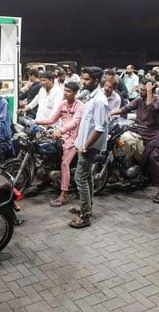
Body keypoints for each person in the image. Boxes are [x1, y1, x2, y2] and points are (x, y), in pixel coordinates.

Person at [112, 78, 159, 203]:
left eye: (143, 89)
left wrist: (148, 91)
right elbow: (126, 108)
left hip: (153, 134)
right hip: (138, 130)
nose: (140, 91)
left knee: (153, 158)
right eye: (140, 89)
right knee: (119, 142)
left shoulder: (158, 101)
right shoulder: (139, 99)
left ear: (150, 90)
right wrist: (111, 112)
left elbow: (150, 107)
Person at [67, 67, 108, 228]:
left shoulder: (99, 100)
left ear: (96, 81)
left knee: (80, 178)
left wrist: (85, 145)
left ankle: (85, 215)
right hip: (84, 143)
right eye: (83, 78)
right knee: (87, 176)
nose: (83, 82)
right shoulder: (91, 97)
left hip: (88, 146)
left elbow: (99, 128)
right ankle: (87, 206)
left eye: (87, 80)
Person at [36, 81, 84, 207]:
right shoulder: (62, 104)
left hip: (75, 138)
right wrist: (35, 122)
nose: (65, 93)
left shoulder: (80, 106)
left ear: (75, 93)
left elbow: (75, 122)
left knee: (64, 163)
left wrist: (60, 130)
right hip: (62, 136)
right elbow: (52, 119)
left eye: (68, 91)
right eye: (65, 90)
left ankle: (64, 194)